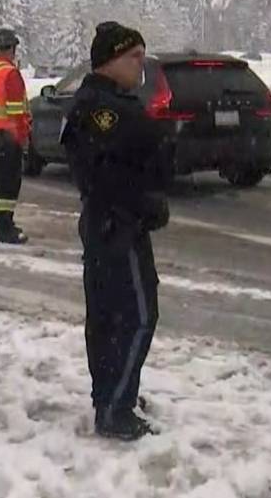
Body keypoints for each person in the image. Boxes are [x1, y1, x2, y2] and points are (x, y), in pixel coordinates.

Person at [61, 22, 170, 441]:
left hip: (112, 224)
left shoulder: (109, 102)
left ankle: (110, 397)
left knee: (108, 318)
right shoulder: (101, 109)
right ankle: (116, 409)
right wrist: (146, 204)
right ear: (110, 60)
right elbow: (102, 176)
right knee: (138, 316)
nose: (142, 66)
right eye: (135, 58)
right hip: (118, 227)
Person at [0, 28, 32, 244]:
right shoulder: (10, 73)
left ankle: (1, 224)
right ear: (12, 48)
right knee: (9, 184)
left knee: (0, 184)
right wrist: (23, 137)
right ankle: (4, 228)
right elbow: (15, 112)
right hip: (8, 136)